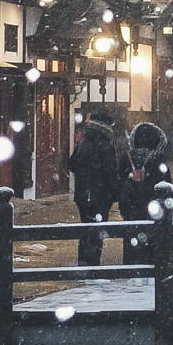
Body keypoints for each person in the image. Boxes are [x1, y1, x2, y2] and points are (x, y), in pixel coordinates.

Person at [66, 112, 125, 267]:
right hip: (100, 195)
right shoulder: (105, 144)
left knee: (86, 228)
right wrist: (116, 192)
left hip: (83, 194)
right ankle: (92, 266)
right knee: (97, 231)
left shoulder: (83, 140)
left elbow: (72, 164)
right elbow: (110, 172)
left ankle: (84, 263)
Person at [118, 122, 170, 265]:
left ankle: (130, 266)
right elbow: (166, 184)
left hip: (131, 205)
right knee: (152, 237)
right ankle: (150, 265)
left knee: (131, 236)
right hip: (152, 205)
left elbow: (120, 181)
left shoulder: (126, 157)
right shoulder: (158, 158)